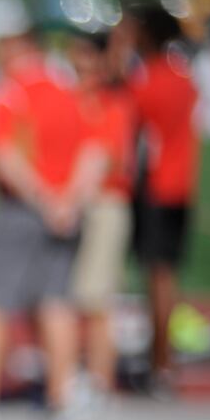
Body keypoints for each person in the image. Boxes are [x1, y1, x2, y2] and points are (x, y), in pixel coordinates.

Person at [0, 28, 106, 420]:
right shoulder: (70, 90)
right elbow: (95, 151)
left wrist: (44, 199)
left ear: (18, 47)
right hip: (63, 210)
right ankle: (62, 400)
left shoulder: (11, 92)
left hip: (21, 209)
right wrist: (70, 201)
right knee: (56, 303)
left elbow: (3, 153)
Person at [115, 2, 200, 397]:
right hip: (179, 185)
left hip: (156, 187)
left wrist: (121, 43)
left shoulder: (150, 78)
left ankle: (162, 364)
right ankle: (160, 359)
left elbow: (118, 98)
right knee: (164, 276)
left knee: (158, 278)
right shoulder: (182, 76)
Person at [68, 32, 137, 401]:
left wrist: (76, 192)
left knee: (97, 297)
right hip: (74, 203)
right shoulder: (75, 97)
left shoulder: (112, 101)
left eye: (84, 54)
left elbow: (113, 156)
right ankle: (81, 369)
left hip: (104, 203)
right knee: (69, 294)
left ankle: (98, 378)